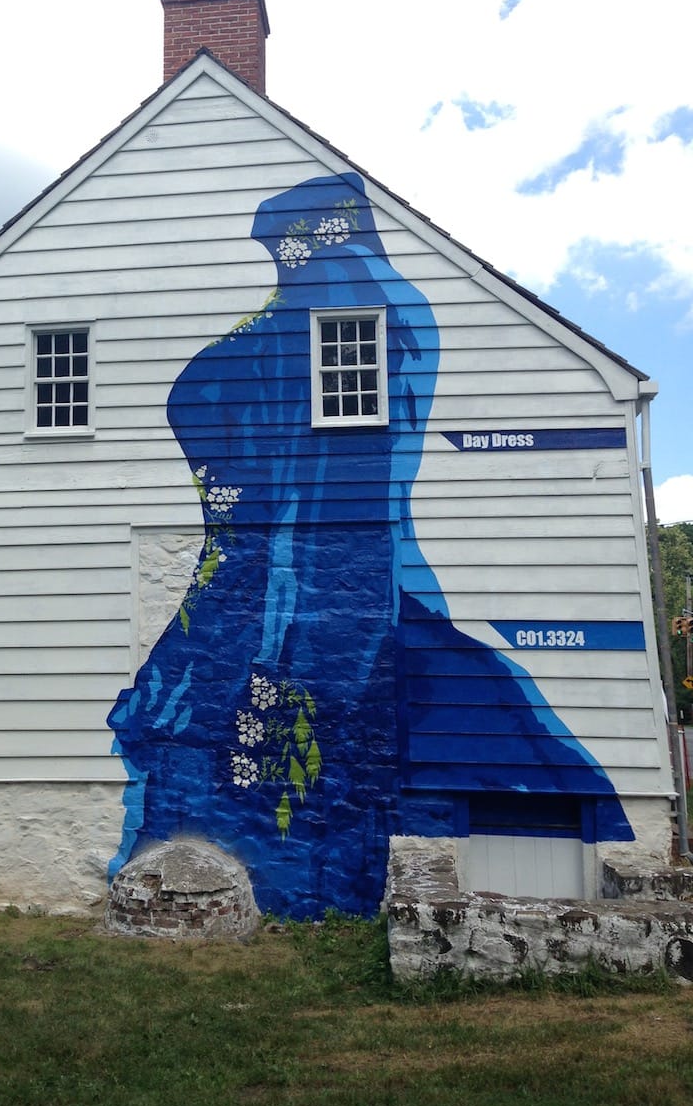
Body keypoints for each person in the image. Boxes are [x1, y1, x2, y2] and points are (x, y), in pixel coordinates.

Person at [108, 173, 631, 917]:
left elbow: (330, 507)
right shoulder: (287, 336)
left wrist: (280, 651)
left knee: (407, 747)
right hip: (247, 611)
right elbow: (287, 518)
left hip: (320, 604)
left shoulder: (369, 315)